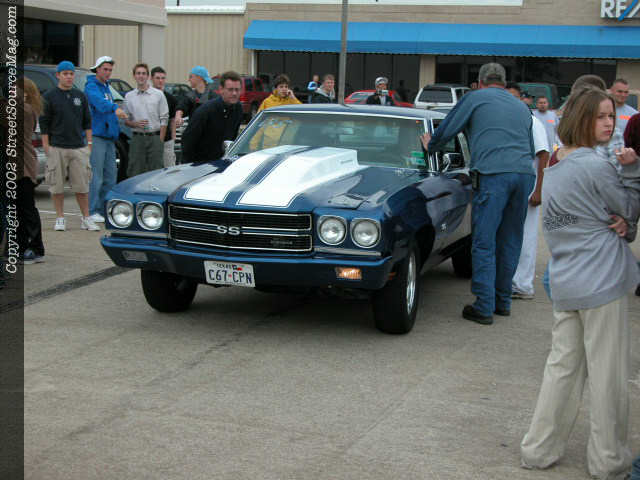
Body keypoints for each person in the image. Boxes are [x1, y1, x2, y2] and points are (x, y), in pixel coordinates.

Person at [520, 86, 639, 480]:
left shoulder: (556, 166)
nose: (609, 123)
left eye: (611, 116)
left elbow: (573, 222)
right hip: (602, 279)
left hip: (567, 279)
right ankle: (609, 460)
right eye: (601, 116)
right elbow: (628, 207)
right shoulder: (597, 166)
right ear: (582, 119)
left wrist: (620, 222)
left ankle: (539, 449)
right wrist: (633, 171)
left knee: (562, 370)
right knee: (608, 376)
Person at [421, 63, 535, 325]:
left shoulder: (475, 98)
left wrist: (432, 145)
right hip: (523, 174)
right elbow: (529, 147)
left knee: (484, 241)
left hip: (494, 175)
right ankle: (502, 302)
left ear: (480, 82)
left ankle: (483, 306)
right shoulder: (521, 106)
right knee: (510, 239)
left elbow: (448, 128)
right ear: (503, 83)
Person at [41, 61, 100, 232]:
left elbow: (87, 121)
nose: (68, 77)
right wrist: (46, 145)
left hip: (78, 147)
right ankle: (60, 218)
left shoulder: (80, 96)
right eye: (65, 73)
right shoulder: (49, 96)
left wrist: (89, 144)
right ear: (58, 75)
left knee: (82, 186)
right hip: (57, 147)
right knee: (57, 185)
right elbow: (44, 122)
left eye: (71, 74)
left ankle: (86, 218)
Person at [505, 83, 550, 300]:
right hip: (509, 187)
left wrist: (539, 190)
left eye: (515, 97)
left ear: (523, 99)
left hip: (529, 189)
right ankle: (509, 280)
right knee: (510, 235)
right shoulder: (505, 121)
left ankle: (522, 285)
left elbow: (544, 155)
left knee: (526, 236)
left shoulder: (533, 122)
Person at [84, 55, 128, 224]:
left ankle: (103, 209)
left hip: (109, 137)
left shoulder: (106, 86)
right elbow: (100, 104)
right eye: (105, 69)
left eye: (110, 70)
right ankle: (92, 210)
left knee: (110, 175)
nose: (108, 72)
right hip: (97, 136)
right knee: (97, 175)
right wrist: (115, 108)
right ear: (97, 69)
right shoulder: (91, 87)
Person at [181, 70, 243, 163]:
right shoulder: (206, 111)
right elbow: (188, 141)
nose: (234, 93)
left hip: (223, 162)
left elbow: (233, 138)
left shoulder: (238, 109)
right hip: (201, 163)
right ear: (221, 90)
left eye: (237, 90)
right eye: (230, 89)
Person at [17, 77, 45, 262]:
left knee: (27, 208)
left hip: (24, 165)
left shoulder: (25, 110)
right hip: (21, 164)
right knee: (20, 209)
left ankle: (36, 247)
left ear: (25, 93)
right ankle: (22, 246)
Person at [123, 63, 168, 176]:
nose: (141, 76)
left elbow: (164, 119)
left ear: (148, 76)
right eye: (138, 73)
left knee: (156, 172)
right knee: (135, 171)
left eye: (143, 73)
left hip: (155, 138)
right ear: (134, 76)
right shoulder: (129, 96)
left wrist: (160, 140)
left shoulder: (158, 95)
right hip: (137, 139)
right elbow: (126, 120)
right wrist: (135, 124)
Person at [150, 66, 178, 167]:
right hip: (151, 139)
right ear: (151, 79)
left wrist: (173, 137)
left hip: (167, 140)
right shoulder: (147, 97)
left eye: (163, 78)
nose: (160, 81)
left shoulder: (171, 99)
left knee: (169, 168)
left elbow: (173, 119)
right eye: (157, 78)